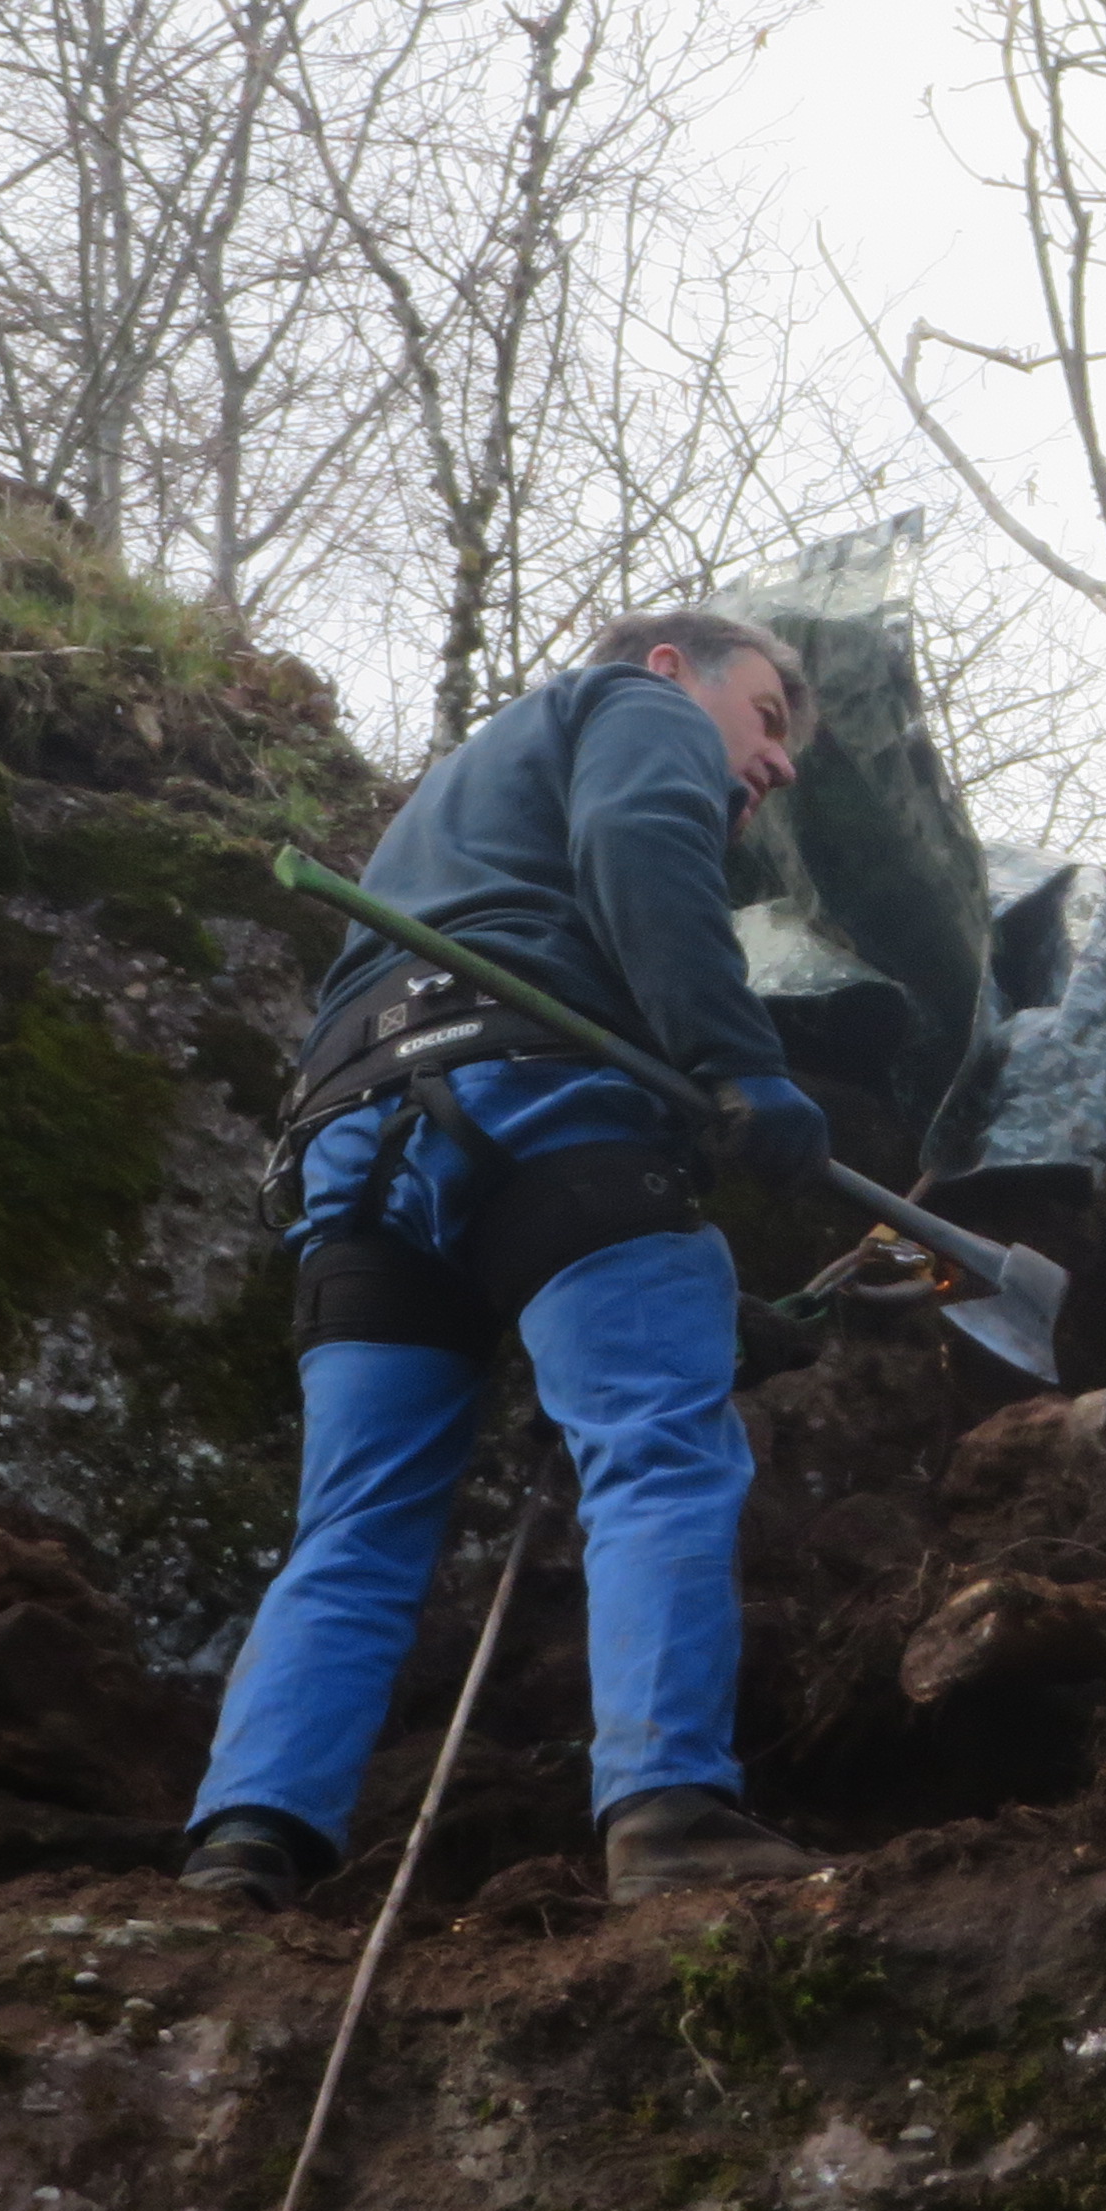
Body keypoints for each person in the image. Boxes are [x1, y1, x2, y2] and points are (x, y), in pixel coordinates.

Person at [184, 609, 839, 1909]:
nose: (778, 764)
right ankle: (668, 1814)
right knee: (655, 1444)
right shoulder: (632, 707)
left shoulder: (459, 801)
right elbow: (640, 839)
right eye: (767, 719)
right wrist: (739, 1060)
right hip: (539, 1102)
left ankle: (244, 1843)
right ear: (673, 667)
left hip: (358, 1154)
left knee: (356, 1520)